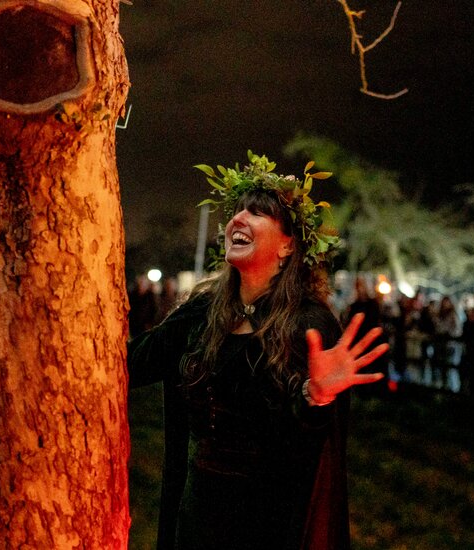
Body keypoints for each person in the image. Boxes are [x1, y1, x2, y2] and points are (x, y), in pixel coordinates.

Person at [128, 152, 387, 550]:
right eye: (237, 211)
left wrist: (313, 396)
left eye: (258, 213)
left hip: (268, 520)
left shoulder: (309, 322)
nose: (239, 219)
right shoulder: (203, 311)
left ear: (288, 247)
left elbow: (305, 441)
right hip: (198, 514)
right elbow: (131, 365)